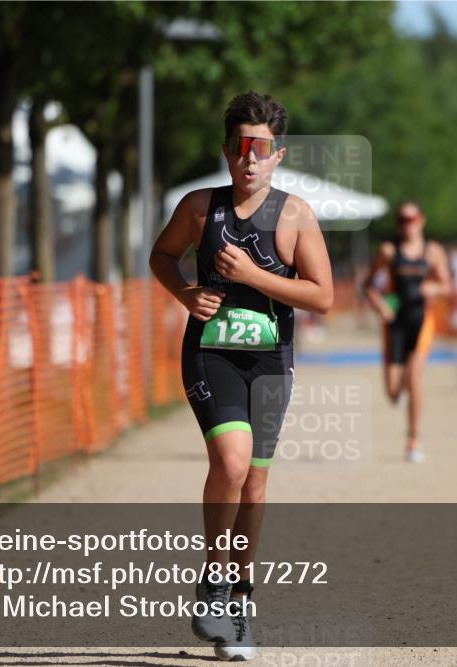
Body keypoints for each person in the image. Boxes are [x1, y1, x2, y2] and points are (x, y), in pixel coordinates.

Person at [149, 91, 333, 661]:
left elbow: (322, 296)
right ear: (226, 151)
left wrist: (255, 275)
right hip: (212, 354)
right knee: (229, 462)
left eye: (261, 148)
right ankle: (214, 579)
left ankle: (239, 599)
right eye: (239, 146)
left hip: (271, 360)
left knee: (254, 483)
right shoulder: (199, 207)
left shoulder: (296, 214)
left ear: (278, 155)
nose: (249, 159)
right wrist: (186, 293)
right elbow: (162, 257)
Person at [363, 201, 451, 462]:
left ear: (421, 220)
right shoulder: (389, 251)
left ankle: (413, 440)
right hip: (395, 323)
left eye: (411, 219)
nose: (407, 224)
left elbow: (447, 285)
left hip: (422, 321)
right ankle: (401, 388)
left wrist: (432, 289)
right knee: (393, 391)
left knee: (414, 377)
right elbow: (368, 285)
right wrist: (380, 306)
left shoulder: (433, 252)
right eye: (402, 219)